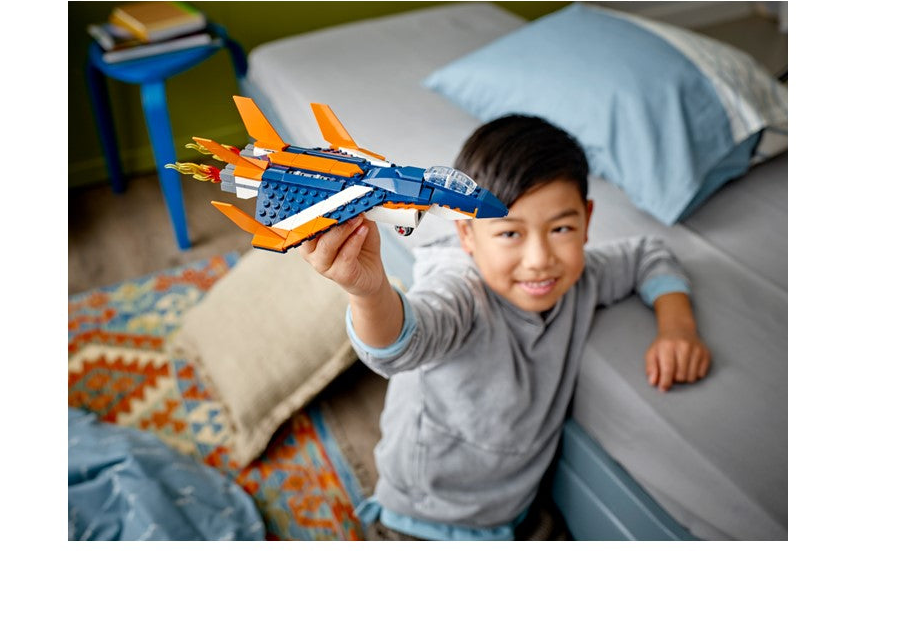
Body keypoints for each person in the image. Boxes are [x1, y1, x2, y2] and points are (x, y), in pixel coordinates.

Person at [299, 114, 712, 540]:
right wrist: (369, 293)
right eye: (511, 234)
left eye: (561, 229)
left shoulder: (581, 277)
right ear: (467, 234)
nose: (540, 259)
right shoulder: (462, 291)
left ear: (587, 221)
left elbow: (648, 254)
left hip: (515, 513)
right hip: (422, 520)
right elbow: (402, 343)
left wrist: (677, 327)